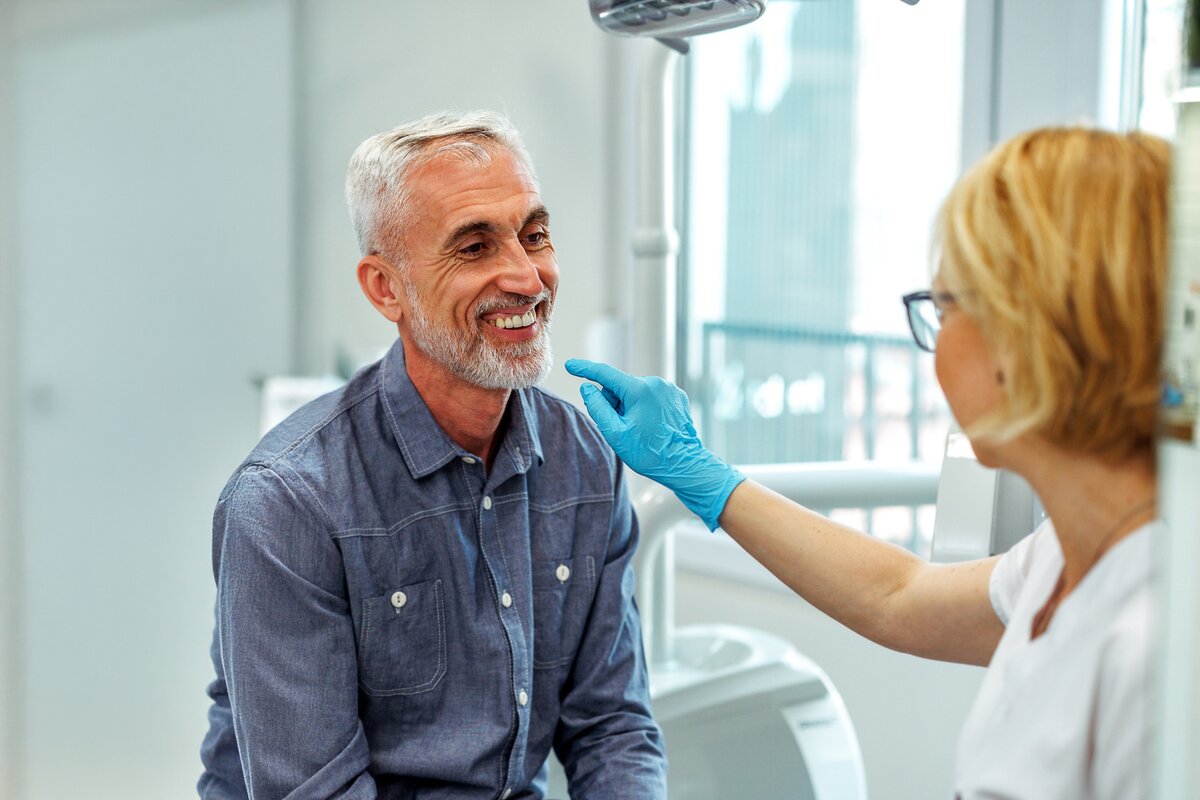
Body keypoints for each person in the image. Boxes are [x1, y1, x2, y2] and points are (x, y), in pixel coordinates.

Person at [566, 126, 1168, 799]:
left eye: (942, 309)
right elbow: (898, 597)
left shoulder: (1156, 642)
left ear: (1028, 333)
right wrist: (706, 477)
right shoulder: (1068, 552)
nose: (934, 348)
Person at [198, 111, 667, 799]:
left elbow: (611, 730)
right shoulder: (288, 501)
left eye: (534, 235)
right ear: (386, 288)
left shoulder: (587, 462)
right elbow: (316, 791)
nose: (526, 278)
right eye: (474, 248)